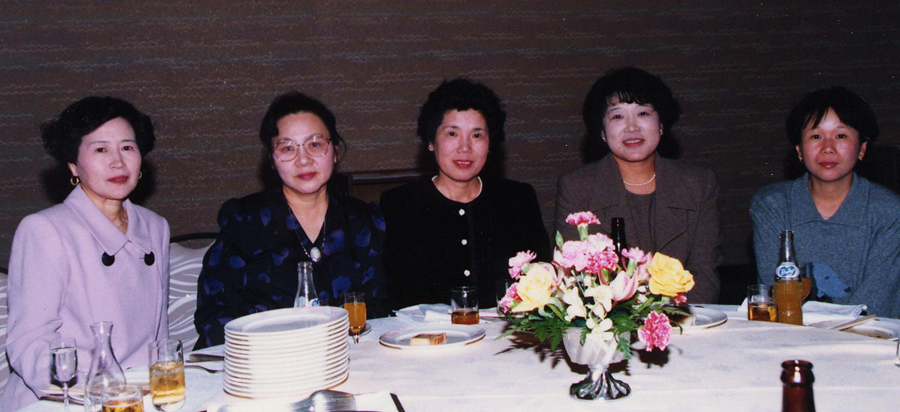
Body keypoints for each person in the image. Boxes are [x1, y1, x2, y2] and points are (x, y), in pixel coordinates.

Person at [1, 97, 170, 411]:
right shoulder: (45, 230)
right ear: (73, 165)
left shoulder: (155, 227)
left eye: (127, 147)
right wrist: (95, 390)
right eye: (101, 149)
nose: (118, 163)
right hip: (65, 399)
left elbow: (159, 336)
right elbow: (30, 342)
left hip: (140, 396)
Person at [194, 92, 388, 349]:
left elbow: (381, 311)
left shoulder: (365, 222)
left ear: (335, 151)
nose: (303, 160)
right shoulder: (245, 221)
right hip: (263, 362)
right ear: (271, 160)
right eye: (287, 148)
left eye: (315, 144)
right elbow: (214, 314)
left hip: (350, 358)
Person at [381, 78, 552, 310]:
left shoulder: (518, 200)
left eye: (477, 135)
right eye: (452, 133)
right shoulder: (399, 205)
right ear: (431, 142)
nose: (465, 148)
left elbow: (542, 282)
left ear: (491, 144)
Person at [555, 67, 723, 303]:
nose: (632, 127)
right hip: (610, 322)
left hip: (684, 319)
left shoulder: (698, 183)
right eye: (617, 116)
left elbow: (705, 278)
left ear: (661, 124)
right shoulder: (577, 188)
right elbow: (577, 283)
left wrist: (663, 320)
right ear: (602, 132)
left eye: (643, 113)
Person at [751, 86, 900, 317]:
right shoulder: (772, 205)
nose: (828, 148)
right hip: (792, 332)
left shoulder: (889, 211)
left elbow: (877, 303)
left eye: (841, 136)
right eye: (816, 136)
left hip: (869, 333)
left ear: (862, 148)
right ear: (799, 149)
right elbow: (778, 295)